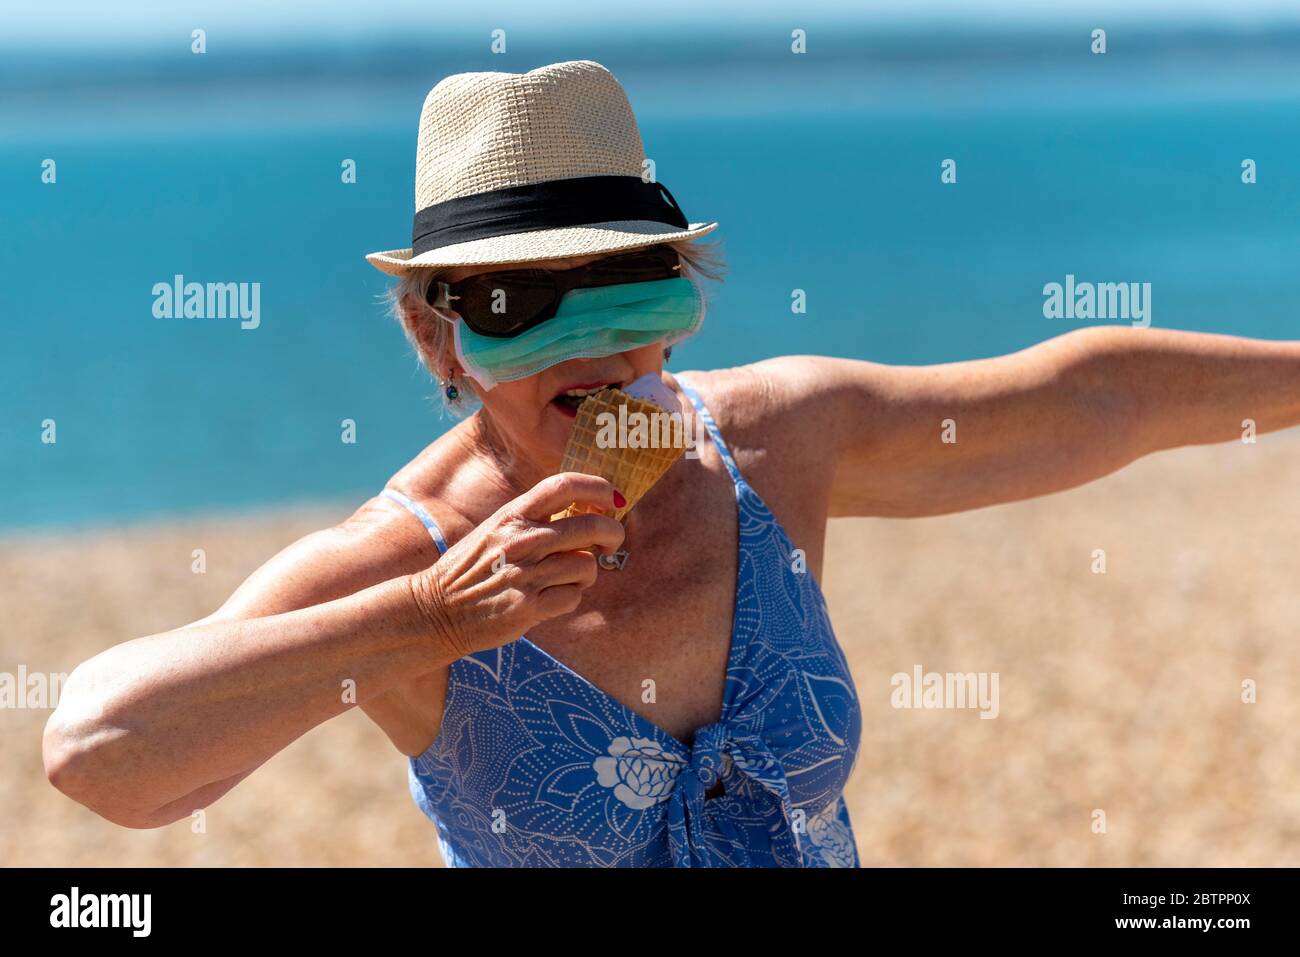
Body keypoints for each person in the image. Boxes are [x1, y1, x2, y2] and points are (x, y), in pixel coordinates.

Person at [43, 60, 1300, 868]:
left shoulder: (771, 443)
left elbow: (1099, 396)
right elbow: (103, 753)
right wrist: (427, 620)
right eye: (522, 304)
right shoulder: (408, 558)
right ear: (437, 331)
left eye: (623, 287)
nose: (595, 349)